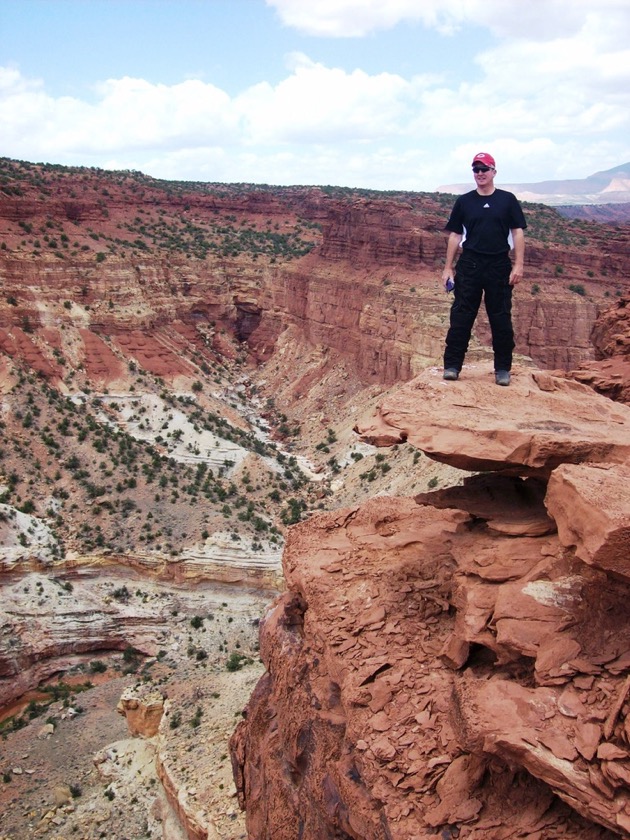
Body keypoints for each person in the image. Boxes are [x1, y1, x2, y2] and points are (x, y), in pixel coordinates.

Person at [441, 152, 526, 386]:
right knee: (461, 315)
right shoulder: (465, 201)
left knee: (500, 317)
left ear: (493, 172)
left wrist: (518, 264)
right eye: (476, 170)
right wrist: (448, 268)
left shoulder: (507, 200)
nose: (480, 173)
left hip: (499, 264)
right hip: (470, 263)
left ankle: (502, 369)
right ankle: (452, 366)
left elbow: (517, 232)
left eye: (484, 169)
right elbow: (455, 235)